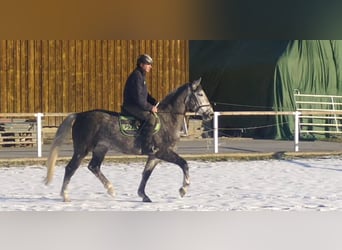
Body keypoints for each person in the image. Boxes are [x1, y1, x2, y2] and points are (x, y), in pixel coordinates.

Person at [122, 54, 159, 155]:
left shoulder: (141, 75)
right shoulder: (137, 76)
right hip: (131, 106)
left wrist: (154, 102)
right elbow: (139, 99)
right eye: (148, 64)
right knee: (151, 119)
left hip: (137, 105)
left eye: (150, 65)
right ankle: (146, 147)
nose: (150, 67)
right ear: (141, 64)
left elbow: (145, 94)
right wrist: (150, 107)